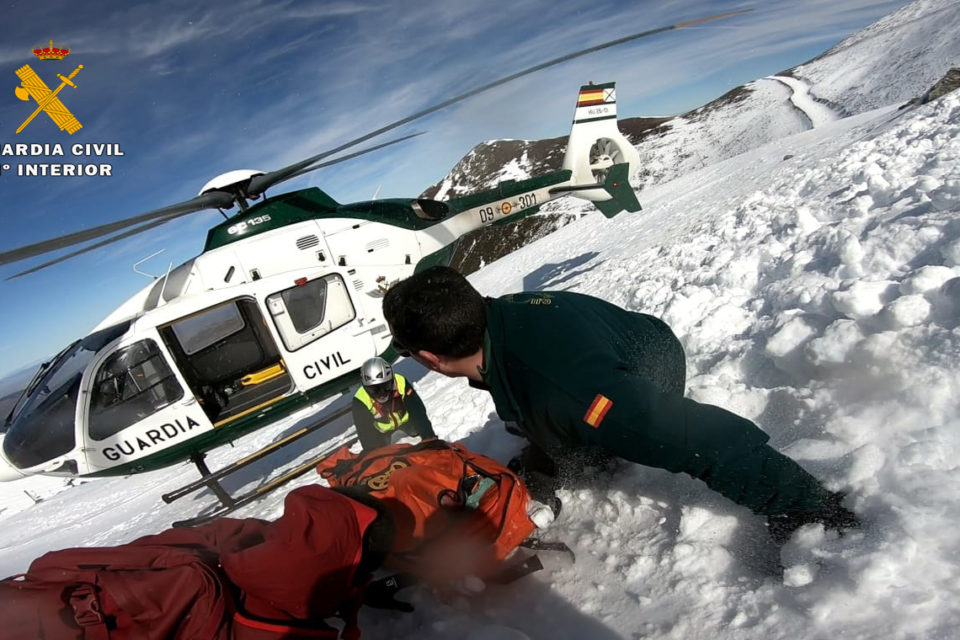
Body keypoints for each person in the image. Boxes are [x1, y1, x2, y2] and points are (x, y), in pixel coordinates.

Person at [382, 266, 858, 544]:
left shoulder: (564, 392)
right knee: (554, 416)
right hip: (622, 340)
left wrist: (809, 509)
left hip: (647, 368)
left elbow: (696, 437)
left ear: (430, 359)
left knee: (585, 431)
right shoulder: (496, 317)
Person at [352, 356, 436, 452]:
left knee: (417, 430)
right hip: (382, 432)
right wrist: (375, 453)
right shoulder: (360, 400)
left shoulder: (401, 382)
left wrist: (429, 437)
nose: (381, 394)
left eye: (385, 386)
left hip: (407, 422)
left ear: (391, 381)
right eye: (374, 390)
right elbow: (365, 432)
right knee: (380, 451)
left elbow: (418, 412)